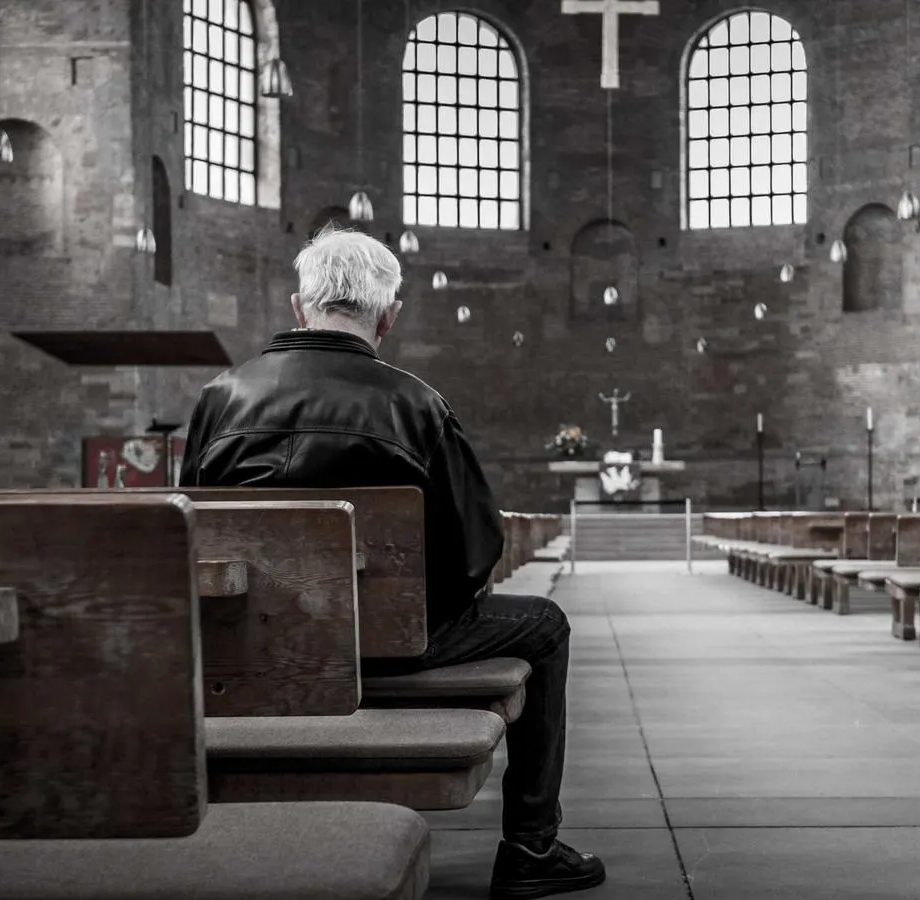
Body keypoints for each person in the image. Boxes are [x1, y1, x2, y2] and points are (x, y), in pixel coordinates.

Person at [178, 225, 605, 900]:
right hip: (399, 646)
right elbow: (477, 551)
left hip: (257, 648)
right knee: (545, 624)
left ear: (298, 305)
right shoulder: (417, 403)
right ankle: (530, 846)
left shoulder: (219, 399)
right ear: (390, 314)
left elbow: (193, 533)